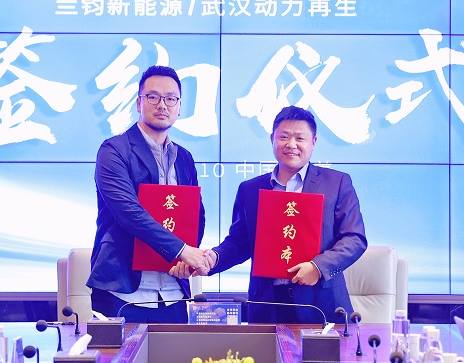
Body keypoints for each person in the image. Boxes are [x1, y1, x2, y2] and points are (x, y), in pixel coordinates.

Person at [175, 105, 366, 324]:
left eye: (300, 138)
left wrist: (318, 267)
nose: (291, 144)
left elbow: (355, 239)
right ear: (272, 139)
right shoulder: (250, 189)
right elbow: (239, 243)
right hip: (267, 305)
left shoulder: (336, 183)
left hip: (320, 303)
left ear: (313, 142)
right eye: (284, 136)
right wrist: (213, 258)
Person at [87, 65, 210, 323]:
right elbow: (128, 213)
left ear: (179, 106)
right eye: (153, 97)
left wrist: (186, 259)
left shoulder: (185, 158)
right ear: (138, 103)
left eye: (170, 98)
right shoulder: (113, 150)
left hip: (173, 293)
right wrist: (181, 250)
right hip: (122, 291)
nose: (162, 105)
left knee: (177, 352)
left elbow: (194, 216)